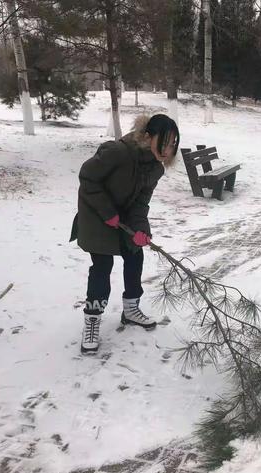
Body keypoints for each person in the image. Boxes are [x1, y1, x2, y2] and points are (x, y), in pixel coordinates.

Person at [70, 114, 180, 354]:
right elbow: (88, 178)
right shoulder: (118, 152)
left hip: (123, 217)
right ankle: (92, 319)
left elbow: (141, 202)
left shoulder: (155, 169)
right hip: (95, 215)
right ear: (148, 136)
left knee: (134, 254)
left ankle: (131, 309)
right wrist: (108, 212)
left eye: (173, 144)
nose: (169, 149)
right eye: (165, 141)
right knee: (102, 266)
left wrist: (141, 229)